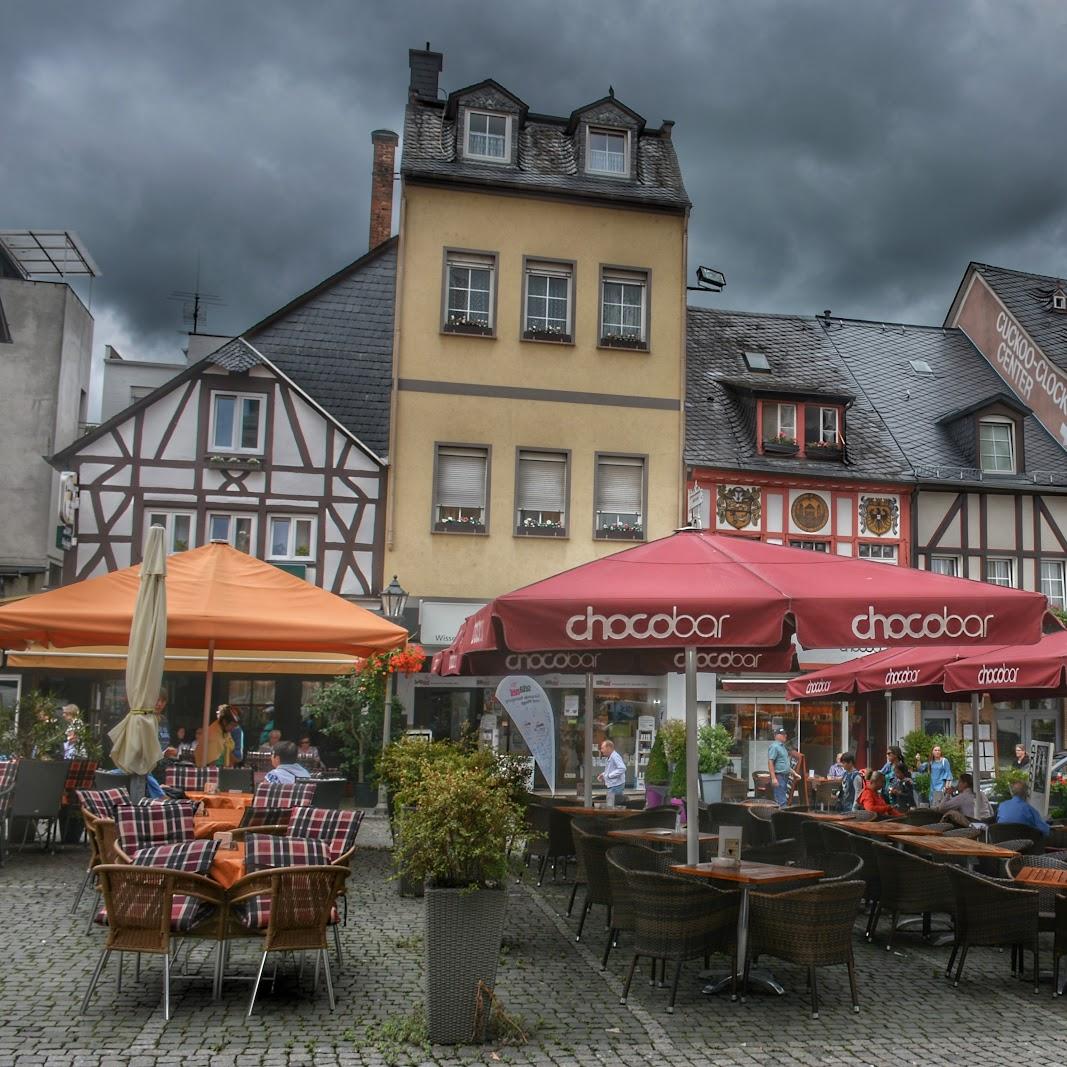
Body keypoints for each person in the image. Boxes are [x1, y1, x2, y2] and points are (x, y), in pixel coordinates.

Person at [767, 726, 791, 807]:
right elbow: (770, 762)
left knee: (782, 799)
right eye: (783, 734)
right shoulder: (774, 746)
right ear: (777, 735)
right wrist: (773, 778)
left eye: (785, 734)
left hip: (784, 777)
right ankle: (783, 818)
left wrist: (794, 773)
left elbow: (784, 763)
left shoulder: (782, 746)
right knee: (781, 801)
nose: (785, 736)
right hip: (779, 777)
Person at [597, 739, 627, 803]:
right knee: (613, 804)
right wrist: (603, 774)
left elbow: (622, 768)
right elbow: (611, 769)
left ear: (608, 748)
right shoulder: (611, 756)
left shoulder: (615, 756)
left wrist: (609, 776)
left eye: (602, 748)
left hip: (616, 786)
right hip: (614, 785)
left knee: (611, 805)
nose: (601, 750)